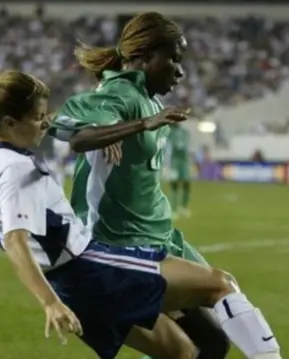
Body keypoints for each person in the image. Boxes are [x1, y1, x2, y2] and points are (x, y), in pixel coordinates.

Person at [0, 51, 283, 359]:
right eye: (38, 117)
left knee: (180, 352)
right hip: (92, 269)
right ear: (10, 121)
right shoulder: (16, 171)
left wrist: (103, 130)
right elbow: (15, 241)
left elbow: (52, 126)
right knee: (220, 284)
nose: (45, 121)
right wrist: (48, 303)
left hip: (70, 287)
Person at [49, 12, 238, 359]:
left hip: (150, 241)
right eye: (175, 59)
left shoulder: (149, 100)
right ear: (148, 56)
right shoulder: (119, 94)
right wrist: (134, 125)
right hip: (111, 253)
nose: (180, 71)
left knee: (209, 343)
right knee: (192, 346)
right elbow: (77, 136)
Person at [167, 123, 193, 219]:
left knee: (187, 183)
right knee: (174, 185)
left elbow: (187, 146)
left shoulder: (185, 132)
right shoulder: (170, 132)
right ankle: (173, 209)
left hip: (184, 161)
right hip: (175, 161)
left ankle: (183, 207)